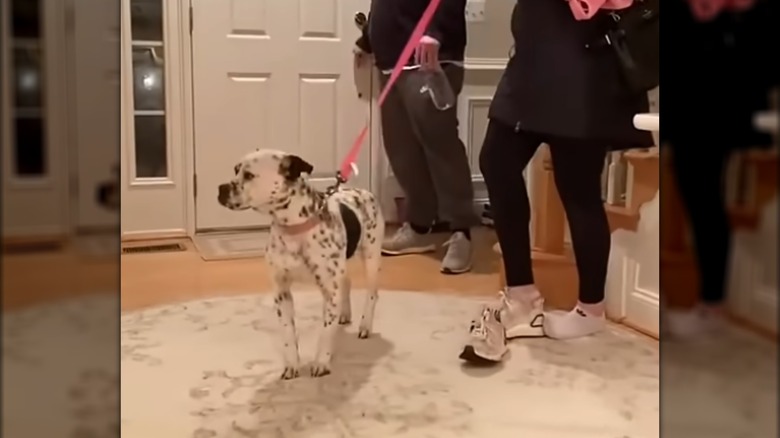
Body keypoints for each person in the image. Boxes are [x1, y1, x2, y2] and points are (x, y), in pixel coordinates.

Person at [459, 0, 654, 363]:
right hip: (535, 61)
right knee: (497, 161)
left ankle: (591, 310)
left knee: (578, 190)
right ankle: (522, 294)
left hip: (582, 65)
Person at [663, 0, 778, 337]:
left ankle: (712, 303)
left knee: (705, 207)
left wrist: (738, 11)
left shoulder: (751, 17)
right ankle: (704, 301)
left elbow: (766, 66)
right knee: (697, 203)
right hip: (687, 116)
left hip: (723, 118)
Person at [354, 0, 480, 275]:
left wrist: (435, 32)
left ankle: (461, 232)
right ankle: (420, 226)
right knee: (401, 149)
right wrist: (367, 39)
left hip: (429, 58)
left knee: (440, 145)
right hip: (390, 61)